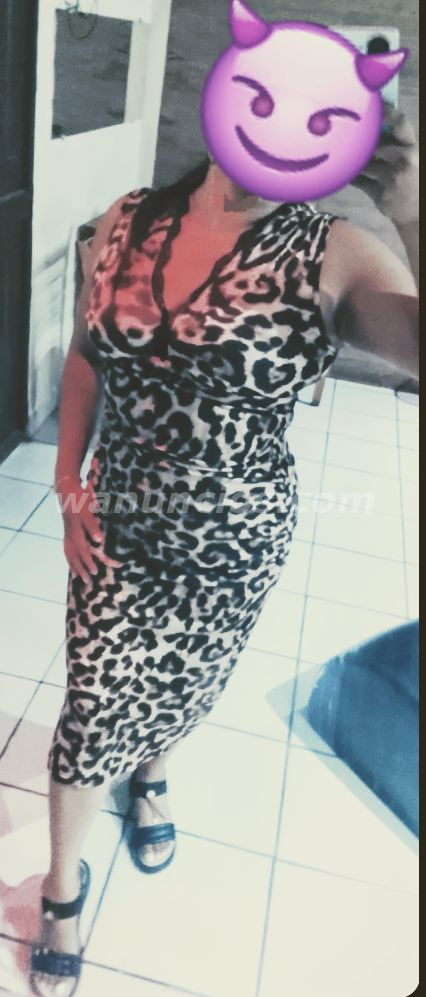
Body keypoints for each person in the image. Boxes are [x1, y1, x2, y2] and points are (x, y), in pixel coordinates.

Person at [30, 102, 418, 996]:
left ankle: (153, 773)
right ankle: (60, 887)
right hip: (120, 521)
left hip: (234, 541)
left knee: (186, 684)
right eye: (263, 106)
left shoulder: (336, 254)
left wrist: (412, 206)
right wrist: (67, 479)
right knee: (91, 710)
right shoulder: (130, 219)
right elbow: (88, 351)